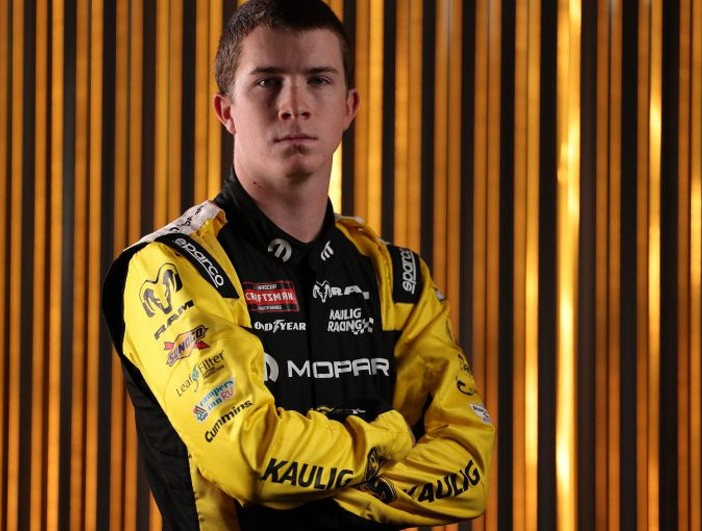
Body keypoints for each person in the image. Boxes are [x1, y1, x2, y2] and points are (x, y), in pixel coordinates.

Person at [101, 1, 495, 529]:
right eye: (267, 82)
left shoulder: (397, 278)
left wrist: (323, 491)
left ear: (348, 107)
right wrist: (393, 436)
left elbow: (470, 468)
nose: (295, 105)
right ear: (226, 111)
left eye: (318, 80)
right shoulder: (171, 267)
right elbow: (253, 461)